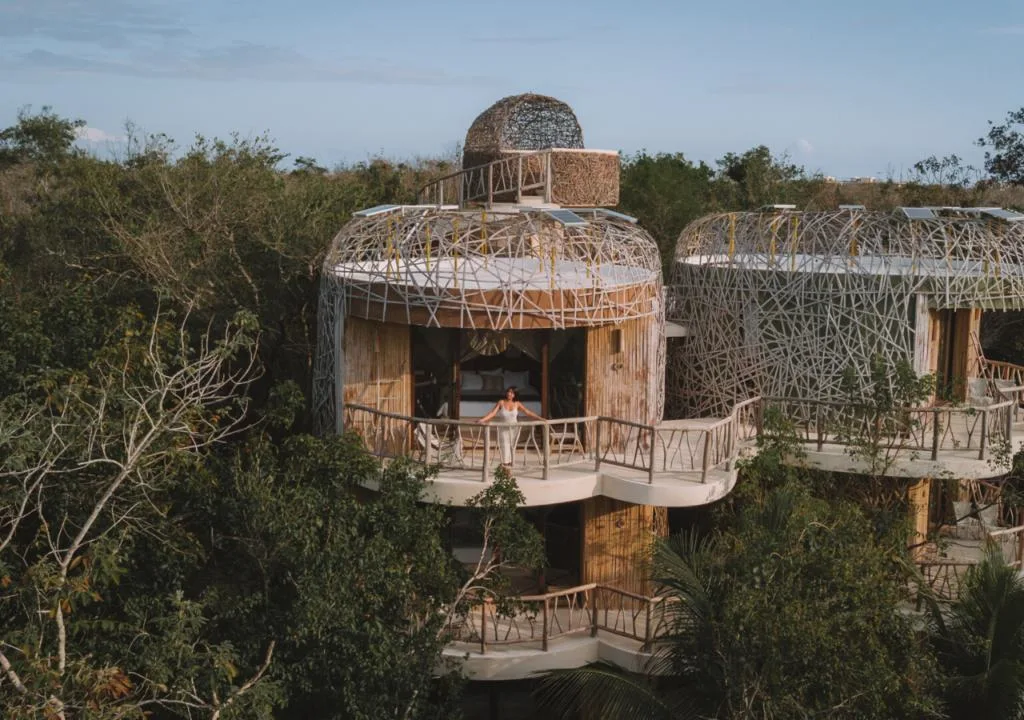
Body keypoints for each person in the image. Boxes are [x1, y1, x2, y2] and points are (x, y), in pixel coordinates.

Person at [477, 387, 544, 469]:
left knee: (512, 446)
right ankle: (505, 465)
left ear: (514, 395)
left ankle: (510, 465)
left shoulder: (517, 403)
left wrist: (540, 418)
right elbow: (492, 413)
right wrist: (482, 420)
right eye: (508, 392)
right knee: (504, 446)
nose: (509, 394)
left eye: (511, 393)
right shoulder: (501, 402)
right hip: (503, 428)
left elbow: (528, 412)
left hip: (514, 428)